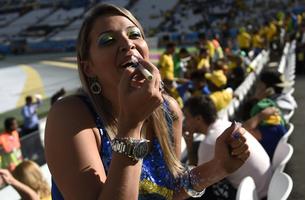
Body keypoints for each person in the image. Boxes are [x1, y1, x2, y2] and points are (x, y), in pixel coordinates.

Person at [44, 3, 249, 200]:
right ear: (88, 67)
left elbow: (169, 191)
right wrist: (132, 126)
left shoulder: (169, 110)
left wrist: (219, 166)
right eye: (108, 40)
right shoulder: (70, 116)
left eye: (134, 34)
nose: (127, 43)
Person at [183, 95, 272, 199]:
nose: (185, 122)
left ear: (198, 119)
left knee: (196, 194)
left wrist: (189, 146)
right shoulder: (226, 124)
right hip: (268, 186)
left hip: (256, 195)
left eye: (187, 117)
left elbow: (196, 180)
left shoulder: (209, 142)